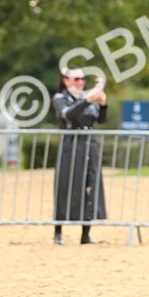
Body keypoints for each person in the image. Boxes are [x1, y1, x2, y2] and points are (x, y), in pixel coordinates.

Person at [52, 68, 108, 245]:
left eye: (83, 79)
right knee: (65, 185)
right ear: (66, 81)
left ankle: (86, 233)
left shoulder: (87, 98)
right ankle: (58, 231)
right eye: (76, 79)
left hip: (89, 144)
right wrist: (87, 99)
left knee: (90, 186)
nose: (81, 82)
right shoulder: (61, 98)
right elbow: (68, 114)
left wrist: (103, 104)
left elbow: (100, 120)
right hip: (70, 145)